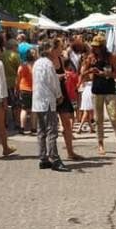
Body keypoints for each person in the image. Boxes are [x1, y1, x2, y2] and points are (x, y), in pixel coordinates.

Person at [86, 34, 116, 158]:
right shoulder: (91, 57)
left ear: (103, 47)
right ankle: (100, 144)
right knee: (98, 120)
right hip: (96, 90)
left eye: (97, 47)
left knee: (114, 118)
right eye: (93, 46)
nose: (95, 49)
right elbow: (83, 73)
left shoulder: (111, 57)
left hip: (109, 90)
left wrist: (104, 73)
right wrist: (90, 71)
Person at [32, 40, 68, 171]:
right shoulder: (48, 64)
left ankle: (43, 158)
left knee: (41, 131)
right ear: (49, 50)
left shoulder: (36, 63)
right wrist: (59, 95)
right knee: (52, 130)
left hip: (38, 100)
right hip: (47, 101)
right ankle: (55, 159)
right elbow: (53, 83)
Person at [51, 40, 80, 160]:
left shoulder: (61, 60)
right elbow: (50, 77)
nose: (62, 50)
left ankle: (70, 152)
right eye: (60, 47)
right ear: (53, 49)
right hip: (51, 94)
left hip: (63, 93)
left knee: (67, 124)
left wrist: (64, 77)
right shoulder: (47, 62)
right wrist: (61, 76)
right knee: (51, 126)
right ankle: (52, 154)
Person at [2, 38, 22, 130]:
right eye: (17, 46)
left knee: (4, 103)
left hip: (3, 82)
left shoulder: (1, 55)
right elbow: (20, 68)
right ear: (14, 46)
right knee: (16, 104)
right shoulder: (15, 56)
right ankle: (17, 122)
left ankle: (5, 121)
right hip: (14, 82)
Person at [17, 49, 35, 134]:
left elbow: (18, 77)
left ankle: (22, 127)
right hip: (34, 90)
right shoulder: (35, 66)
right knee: (32, 110)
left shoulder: (22, 66)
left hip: (23, 89)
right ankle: (33, 127)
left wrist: (16, 88)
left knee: (24, 109)